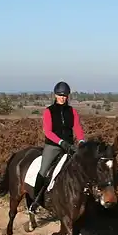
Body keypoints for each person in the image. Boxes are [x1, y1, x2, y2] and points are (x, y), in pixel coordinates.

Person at [28, 81, 86, 213]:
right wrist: (61, 142)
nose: (63, 97)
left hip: (70, 146)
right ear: (55, 95)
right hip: (53, 146)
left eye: (65, 95)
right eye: (60, 95)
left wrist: (81, 141)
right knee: (43, 171)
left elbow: (77, 127)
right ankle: (35, 201)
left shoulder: (72, 111)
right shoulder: (49, 111)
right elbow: (48, 131)